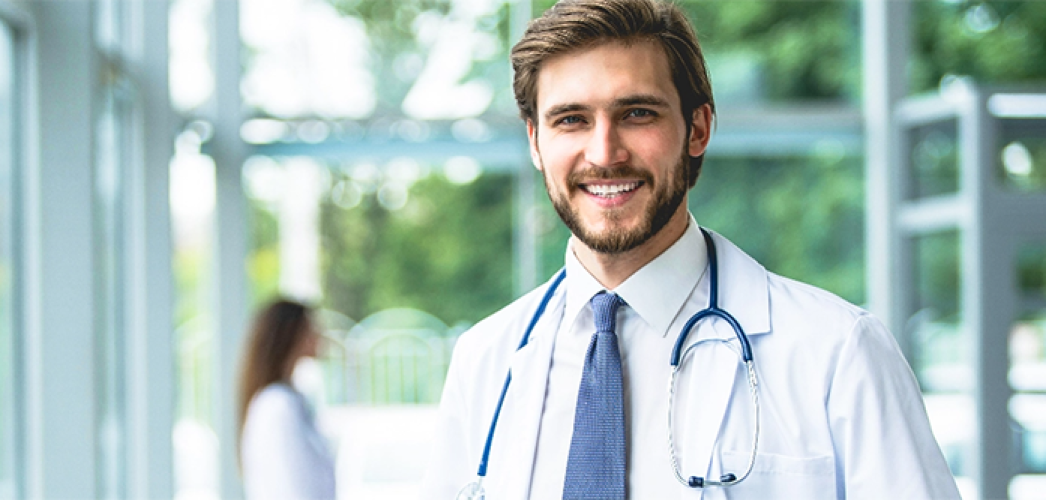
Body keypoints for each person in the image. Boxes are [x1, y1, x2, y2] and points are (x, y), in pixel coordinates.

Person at [421, 0, 962, 499]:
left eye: (637, 113)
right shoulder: (486, 360)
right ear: (536, 142)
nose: (604, 152)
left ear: (697, 127)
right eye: (571, 119)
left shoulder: (838, 354)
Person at [236, 299, 335, 500]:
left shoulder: (287, 400)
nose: (320, 336)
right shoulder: (278, 405)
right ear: (291, 334)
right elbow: (293, 487)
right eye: (311, 328)